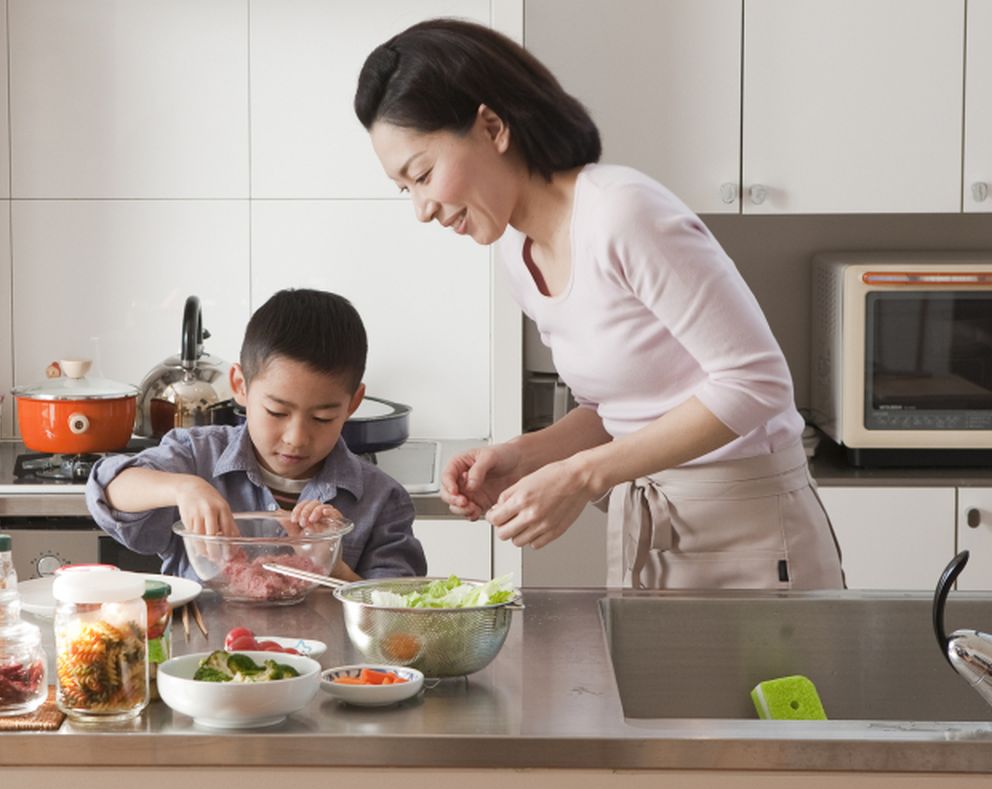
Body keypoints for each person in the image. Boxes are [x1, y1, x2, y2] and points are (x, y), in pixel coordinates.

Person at [353, 18, 843, 590]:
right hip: (661, 536)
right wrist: (524, 455)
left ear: (491, 126)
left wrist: (580, 477)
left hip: (753, 535)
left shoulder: (622, 213)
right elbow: (617, 410)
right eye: (405, 189)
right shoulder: (518, 250)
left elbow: (756, 383)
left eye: (423, 174)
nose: (422, 208)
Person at [85, 288, 427, 583]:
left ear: (353, 403)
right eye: (277, 412)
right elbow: (107, 488)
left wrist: (331, 564)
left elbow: (395, 615)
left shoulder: (382, 500)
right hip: (202, 657)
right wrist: (184, 487)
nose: (296, 437)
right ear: (240, 386)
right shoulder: (196, 456)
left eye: (322, 418)